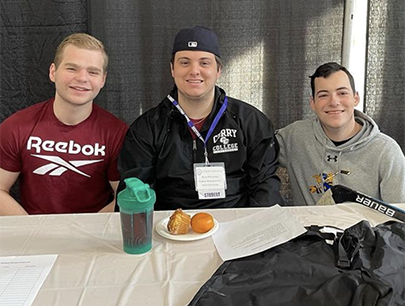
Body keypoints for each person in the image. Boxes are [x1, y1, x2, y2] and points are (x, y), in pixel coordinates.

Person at [118, 25, 283, 210]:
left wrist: (257, 232)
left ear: (218, 70)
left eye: (204, 63)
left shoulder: (250, 121)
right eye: (184, 62)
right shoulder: (147, 127)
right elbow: (135, 191)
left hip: (235, 223)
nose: (194, 71)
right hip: (169, 226)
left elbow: (266, 185)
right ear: (172, 69)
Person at [0, 33, 129, 215]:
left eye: (92, 72)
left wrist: (87, 233)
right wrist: (33, 231)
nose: (82, 78)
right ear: (53, 72)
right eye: (72, 68)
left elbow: (126, 197)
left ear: (103, 80)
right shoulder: (17, 127)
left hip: (92, 235)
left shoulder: (117, 133)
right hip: (33, 234)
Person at [276, 61, 405, 206]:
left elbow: (398, 218)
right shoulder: (294, 137)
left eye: (342, 93)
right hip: (308, 227)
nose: (334, 101)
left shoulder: (386, 151)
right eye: (323, 95)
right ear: (313, 103)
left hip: (367, 228)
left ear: (355, 98)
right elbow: (254, 149)